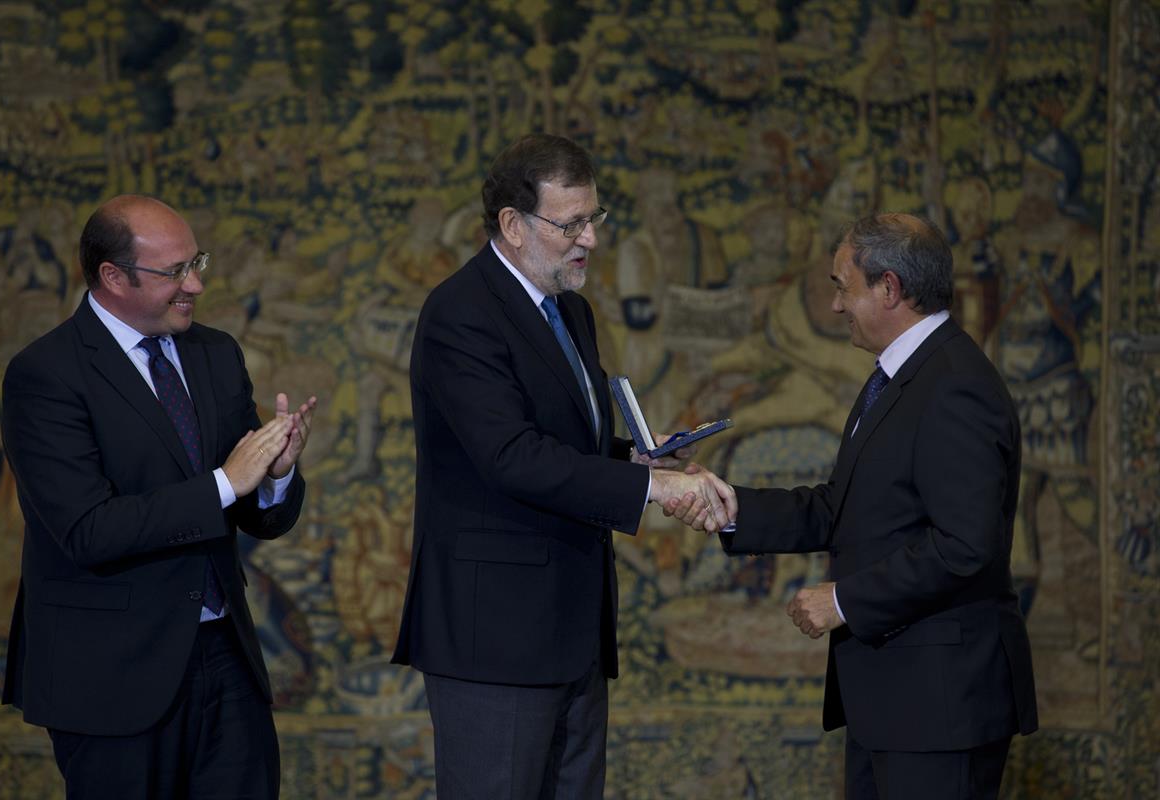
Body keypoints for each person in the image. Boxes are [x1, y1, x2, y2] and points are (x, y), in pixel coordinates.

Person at [391, 133, 735, 799]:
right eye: (572, 223)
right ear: (514, 227)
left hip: (572, 629)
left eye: (595, 219)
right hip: (496, 641)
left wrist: (632, 455)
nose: (591, 240)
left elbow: (556, 442)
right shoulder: (461, 313)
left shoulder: (570, 311)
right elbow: (510, 458)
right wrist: (652, 486)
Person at [668, 213, 1037, 799]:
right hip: (893, 701)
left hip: (940, 706)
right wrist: (730, 508)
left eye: (844, 286)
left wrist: (843, 600)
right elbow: (844, 507)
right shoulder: (902, 378)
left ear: (889, 289)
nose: (836, 305)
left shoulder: (954, 385)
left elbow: (966, 545)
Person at [0, 195, 316, 799]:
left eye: (196, 262)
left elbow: (255, 513)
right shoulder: (46, 374)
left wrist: (275, 473)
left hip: (225, 658)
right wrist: (227, 481)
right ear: (112, 277)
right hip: (110, 673)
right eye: (173, 272)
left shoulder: (215, 353)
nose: (194, 284)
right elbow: (88, 531)